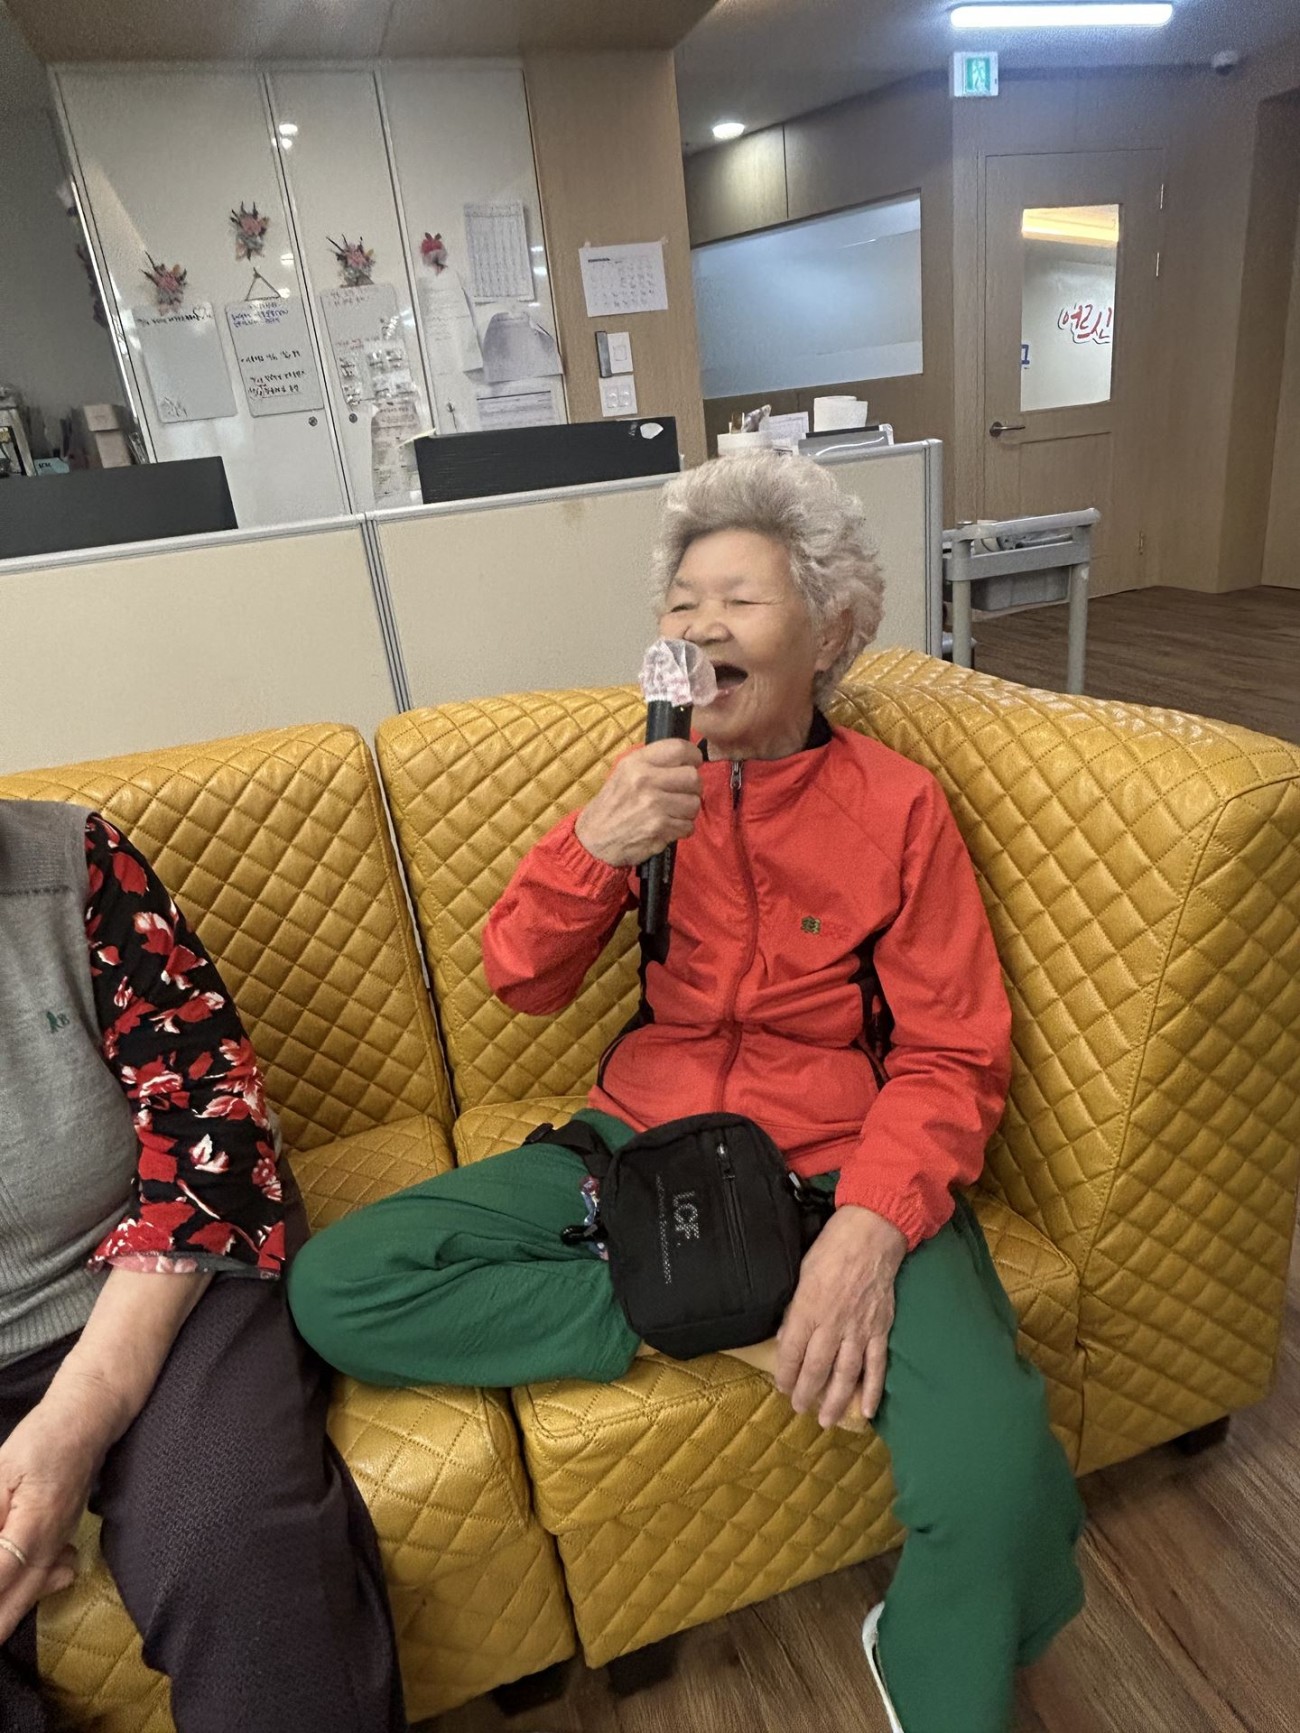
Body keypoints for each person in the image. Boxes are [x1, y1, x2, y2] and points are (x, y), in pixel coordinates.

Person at [288, 452, 1085, 1733]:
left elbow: (951, 1054)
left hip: (837, 1161)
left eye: (740, 600)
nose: (701, 626)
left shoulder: (897, 805)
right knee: (340, 1284)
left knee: (998, 1466)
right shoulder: (640, 785)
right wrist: (593, 846)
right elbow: (518, 978)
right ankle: (724, 1304)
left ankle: (925, 1659)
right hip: (640, 1143)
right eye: (682, 602)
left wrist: (868, 1234)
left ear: (831, 629)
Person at [0, 801, 405, 1733]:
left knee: (231, 1539)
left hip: (162, 1271)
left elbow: (211, 1131)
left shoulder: (75, 860)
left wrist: (78, 1415)